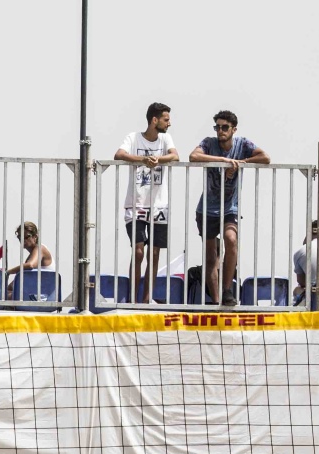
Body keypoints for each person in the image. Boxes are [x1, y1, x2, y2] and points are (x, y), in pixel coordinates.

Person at [189, 112, 270, 307]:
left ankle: (227, 290)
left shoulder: (242, 144)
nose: (220, 131)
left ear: (234, 129)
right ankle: (216, 301)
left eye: (225, 127)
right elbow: (193, 156)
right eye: (217, 127)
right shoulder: (209, 142)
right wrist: (223, 161)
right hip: (207, 208)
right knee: (211, 256)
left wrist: (242, 163)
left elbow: (265, 157)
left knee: (231, 240)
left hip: (229, 207)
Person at [114, 103, 178, 305]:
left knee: (155, 252)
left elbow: (175, 155)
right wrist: (143, 159)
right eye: (166, 119)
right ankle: (133, 298)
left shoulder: (165, 138)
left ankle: (146, 298)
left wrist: (157, 159)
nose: (169, 123)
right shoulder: (133, 137)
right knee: (139, 250)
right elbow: (119, 154)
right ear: (154, 120)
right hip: (136, 204)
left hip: (159, 205)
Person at [1, 222, 54, 294]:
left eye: (26, 237)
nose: (22, 240)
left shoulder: (40, 248)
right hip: (33, 293)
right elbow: (18, 281)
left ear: (35, 236)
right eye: (20, 237)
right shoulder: (31, 256)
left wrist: (8, 272)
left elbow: (30, 265)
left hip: (42, 296)